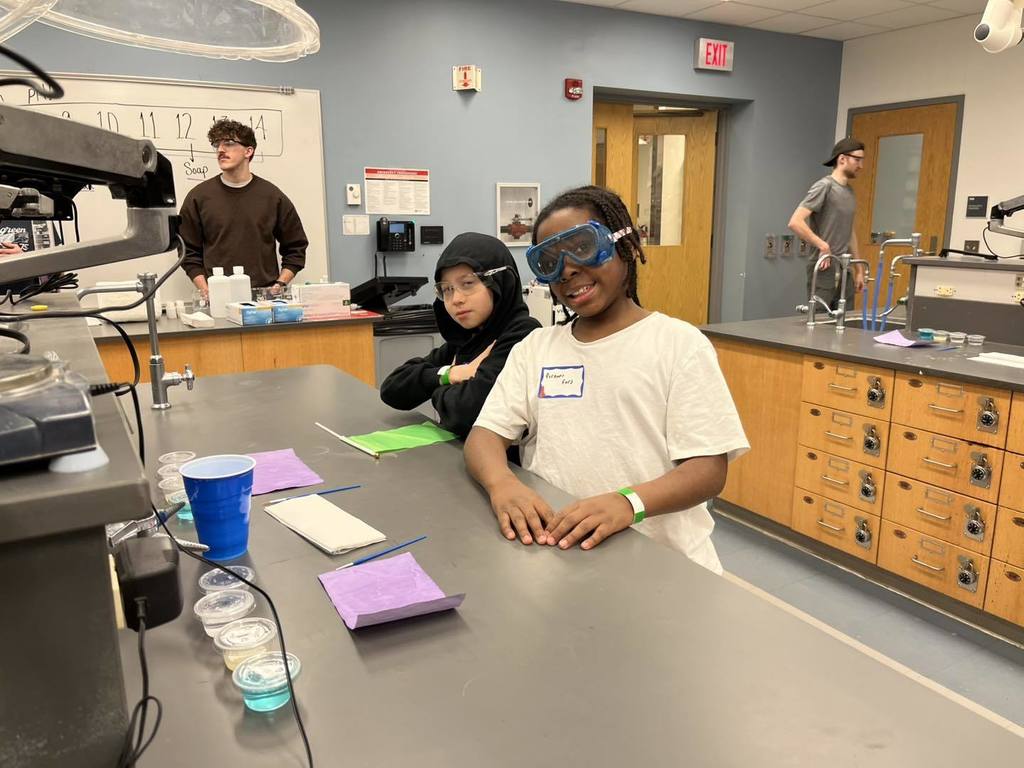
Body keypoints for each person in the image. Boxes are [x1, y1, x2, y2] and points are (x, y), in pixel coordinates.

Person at [464, 186, 749, 573]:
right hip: (564, 554)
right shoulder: (537, 348)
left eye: (582, 247)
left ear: (625, 245)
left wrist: (627, 503)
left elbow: (707, 470)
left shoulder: (678, 344)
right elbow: (485, 435)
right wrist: (503, 484)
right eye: (549, 261)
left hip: (662, 564)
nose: (566, 269)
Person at [379, 232, 540, 438]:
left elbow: (465, 414)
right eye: (446, 289)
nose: (456, 299)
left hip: (506, 466)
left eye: (468, 284)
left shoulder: (522, 334)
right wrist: (452, 374)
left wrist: (437, 391)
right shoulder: (467, 338)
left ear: (500, 282)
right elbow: (392, 389)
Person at [180, 118, 308, 297]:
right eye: (217, 145)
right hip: (218, 297)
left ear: (249, 151)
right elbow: (187, 251)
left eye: (229, 144)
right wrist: (205, 289)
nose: (221, 150)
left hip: (264, 298)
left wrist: (279, 284)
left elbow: (296, 247)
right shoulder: (199, 197)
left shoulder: (272, 196)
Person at [788, 137, 867, 309]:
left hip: (845, 268)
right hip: (824, 268)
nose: (860, 166)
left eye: (862, 160)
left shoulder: (849, 192)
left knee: (845, 324)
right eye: (857, 160)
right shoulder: (824, 186)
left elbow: (849, 232)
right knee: (819, 324)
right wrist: (823, 246)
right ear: (842, 159)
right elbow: (795, 222)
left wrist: (859, 269)